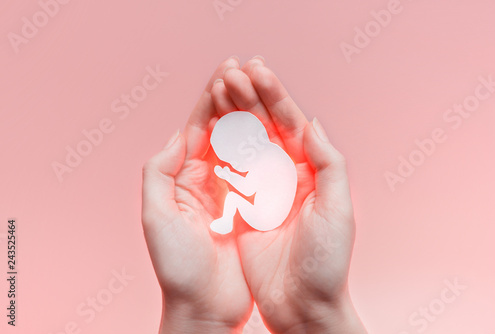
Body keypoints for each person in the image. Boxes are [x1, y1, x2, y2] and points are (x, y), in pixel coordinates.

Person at [141, 55, 367, 333]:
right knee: (236, 197)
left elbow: (246, 190)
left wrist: (227, 177)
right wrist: (196, 315)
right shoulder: (270, 154)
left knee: (234, 198)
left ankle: (225, 221)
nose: (232, 165)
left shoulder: (266, 162)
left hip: (264, 216)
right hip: (269, 211)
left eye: (232, 160)